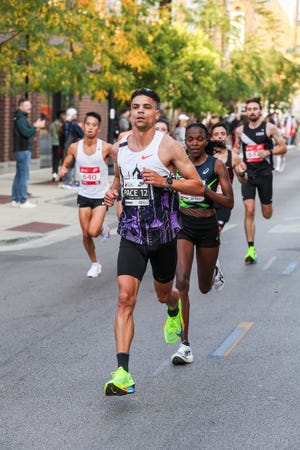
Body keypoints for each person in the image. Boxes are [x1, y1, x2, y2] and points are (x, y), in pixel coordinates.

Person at [103, 88, 203, 396]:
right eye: (136, 107)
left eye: (147, 107)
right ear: (130, 113)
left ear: (156, 114)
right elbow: (121, 181)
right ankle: (122, 373)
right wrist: (113, 191)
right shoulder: (121, 147)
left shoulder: (168, 146)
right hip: (132, 234)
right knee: (124, 298)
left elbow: (198, 185)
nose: (141, 111)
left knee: (163, 295)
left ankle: (173, 308)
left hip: (163, 236)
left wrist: (167, 181)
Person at [171, 123, 233, 365]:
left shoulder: (215, 165)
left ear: (206, 140)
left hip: (208, 229)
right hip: (184, 227)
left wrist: (205, 192)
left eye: (199, 139)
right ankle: (184, 345)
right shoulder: (179, 164)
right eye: (190, 139)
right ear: (185, 141)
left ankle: (213, 267)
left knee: (204, 287)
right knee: (182, 281)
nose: (194, 143)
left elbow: (229, 202)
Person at [234, 98, 287, 263]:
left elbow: (283, 147)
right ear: (246, 112)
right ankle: (250, 249)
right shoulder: (240, 131)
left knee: (267, 214)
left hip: (265, 175)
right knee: (249, 210)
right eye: (249, 109)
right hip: (248, 176)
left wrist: (268, 152)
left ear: (260, 111)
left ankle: (269, 205)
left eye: (255, 109)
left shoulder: (269, 128)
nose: (252, 112)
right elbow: (236, 150)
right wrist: (237, 163)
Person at [59, 112, 112, 277]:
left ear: (98, 128)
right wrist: (64, 168)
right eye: (87, 124)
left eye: (94, 125)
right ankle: (95, 264)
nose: (90, 127)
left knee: (93, 231)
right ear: (83, 126)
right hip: (84, 194)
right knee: (85, 234)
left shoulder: (105, 148)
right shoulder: (75, 147)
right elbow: (68, 158)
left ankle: (103, 228)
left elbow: (120, 161)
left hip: (101, 195)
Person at [11, 97, 45, 208]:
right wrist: (36, 127)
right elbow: (26, 133)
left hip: (20, 150)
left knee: (19, 175)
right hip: (23, 150)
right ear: (20, 106)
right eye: (27, 105)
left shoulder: (19, 117)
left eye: (30, 105)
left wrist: (34, 127)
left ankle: (15, 200)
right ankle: (23, 201)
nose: (29, 107)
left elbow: (25, 131)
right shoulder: (21, 118)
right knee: (24, 176)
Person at [60, 107, 84, 188]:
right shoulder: (74, 124)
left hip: (66, 145)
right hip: (73, 145)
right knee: (72, 163)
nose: (76, 116)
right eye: (75, 114)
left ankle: (64, 181)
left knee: (66, 163)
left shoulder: (64, 124)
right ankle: (69, 181)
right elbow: (81, 134)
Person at [49, 110, 65, 182]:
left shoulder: (52, 125)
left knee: (55, 160)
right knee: (62, 159)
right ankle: (61, 175)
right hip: (61, 144)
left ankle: (54, 174)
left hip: (54, 144)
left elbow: (51, 134)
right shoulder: (63, 124)